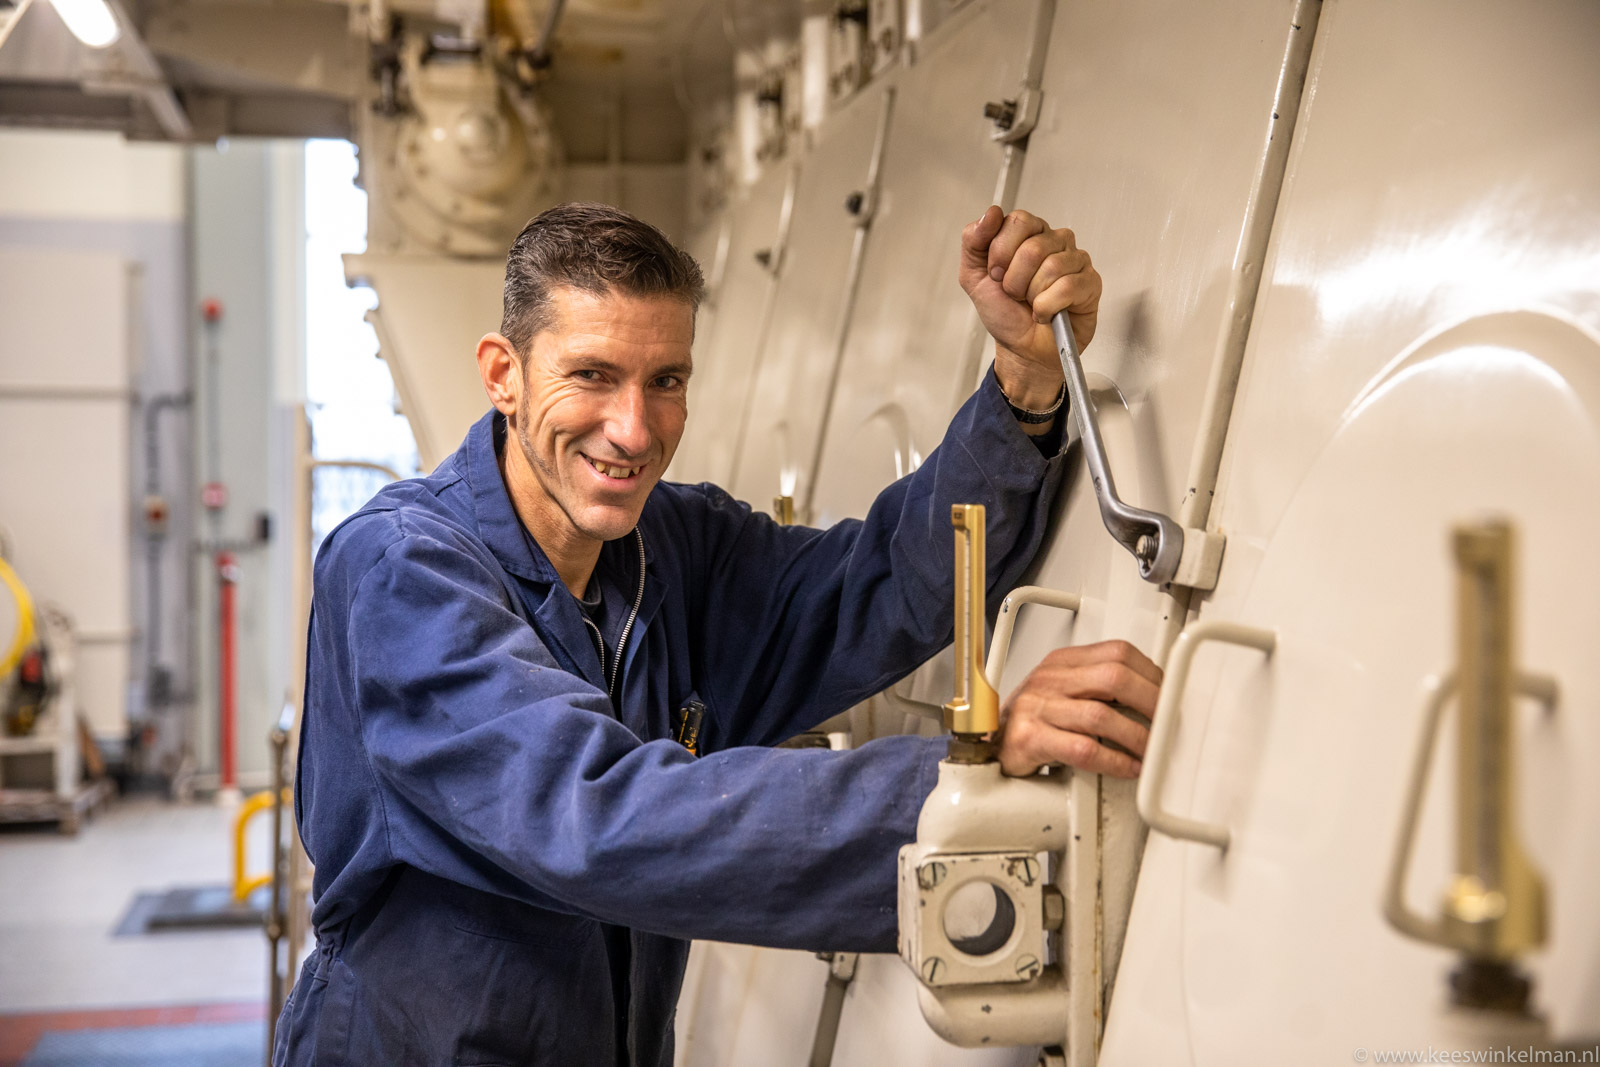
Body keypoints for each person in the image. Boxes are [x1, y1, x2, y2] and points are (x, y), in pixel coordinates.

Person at [274, 201, 1162, 1066]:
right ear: (503, 373)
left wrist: (1026, 381)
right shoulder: (401, 570)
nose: (634, 429)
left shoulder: (675, 546)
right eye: (592, 375)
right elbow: (594, 818)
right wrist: (968, 771)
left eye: (666, 381)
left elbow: (879, 586)